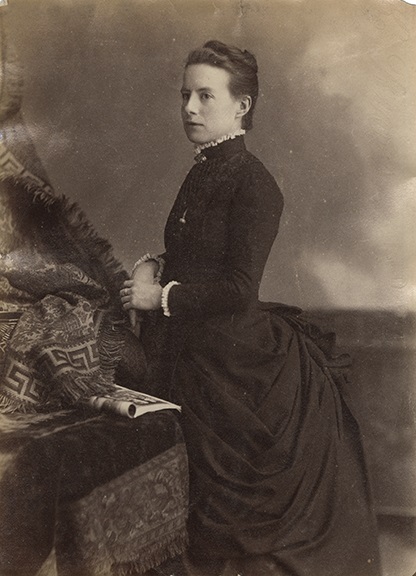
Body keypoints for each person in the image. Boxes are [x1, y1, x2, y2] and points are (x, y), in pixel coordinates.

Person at [120, 40, 381, 576]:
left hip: (234, 361)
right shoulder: (202, 170)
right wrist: (153, 266)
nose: (190, 108)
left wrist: (159, 297)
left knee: (236, 535)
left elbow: (239, 287)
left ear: (242, 106)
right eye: (185, 95)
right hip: (188, 349)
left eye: (205, 96)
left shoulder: (256, 184)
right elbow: (196, 255)